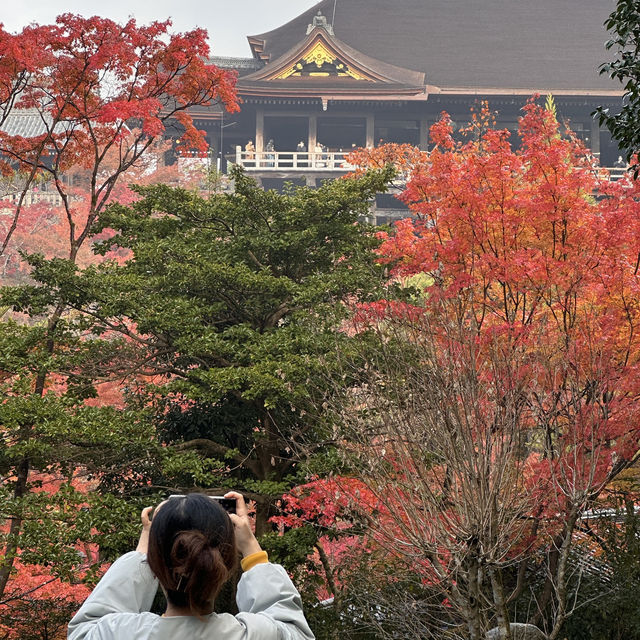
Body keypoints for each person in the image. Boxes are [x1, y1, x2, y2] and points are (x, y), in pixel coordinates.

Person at [67, 492, 315, 640]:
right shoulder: (253, 635)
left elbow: (83, 630)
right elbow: (294, 631)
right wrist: (251, 548)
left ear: (154, 564)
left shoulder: (118, 634)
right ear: (225, 563)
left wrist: (144, 548)